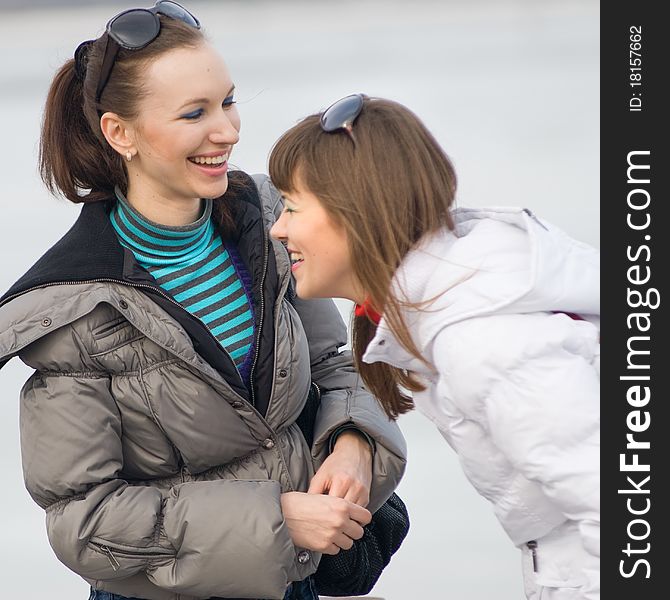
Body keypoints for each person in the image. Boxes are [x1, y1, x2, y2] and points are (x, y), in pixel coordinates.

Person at [0, 5, 407, 599]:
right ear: (121, 133)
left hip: (297, 582)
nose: (228, 131)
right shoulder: (75, 308)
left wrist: (352, 444)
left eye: (228, 101)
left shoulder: (269, 223)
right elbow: (82, 521)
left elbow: (334, 364)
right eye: (195, 113)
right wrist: (278, 520)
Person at [268, 94, 600, 600]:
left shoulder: (480, 340)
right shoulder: (444, 299)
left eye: (291, 206)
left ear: (355, 212)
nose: (278, 228)